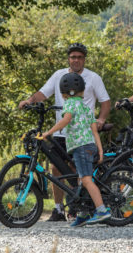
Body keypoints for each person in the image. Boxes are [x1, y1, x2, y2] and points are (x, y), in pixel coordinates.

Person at [19, 43, 111, 221]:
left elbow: (105, 102)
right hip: (61, 134)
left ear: (84, 59)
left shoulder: (93, 78)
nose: (76, 60)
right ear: (68, 59)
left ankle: (81, 208)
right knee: (56, 169)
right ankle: (59, 209)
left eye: (80, 57)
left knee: (78, 171)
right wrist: (29, 100)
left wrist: (101, 120)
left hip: (81, 134)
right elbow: (43, 94)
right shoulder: (59, 75)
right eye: (73, 57)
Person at [38, 73, 111, 227]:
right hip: (89, 145)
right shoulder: (85, 106)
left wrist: (48, 133)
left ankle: (101, 210)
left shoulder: (70, 104)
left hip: (81, 147)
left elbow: (66, 119)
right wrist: (100, 150)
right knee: (81, 180)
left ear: (64, 93)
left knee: (86, 180)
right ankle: (84, 214)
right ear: (82, 91)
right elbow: (94, 130)